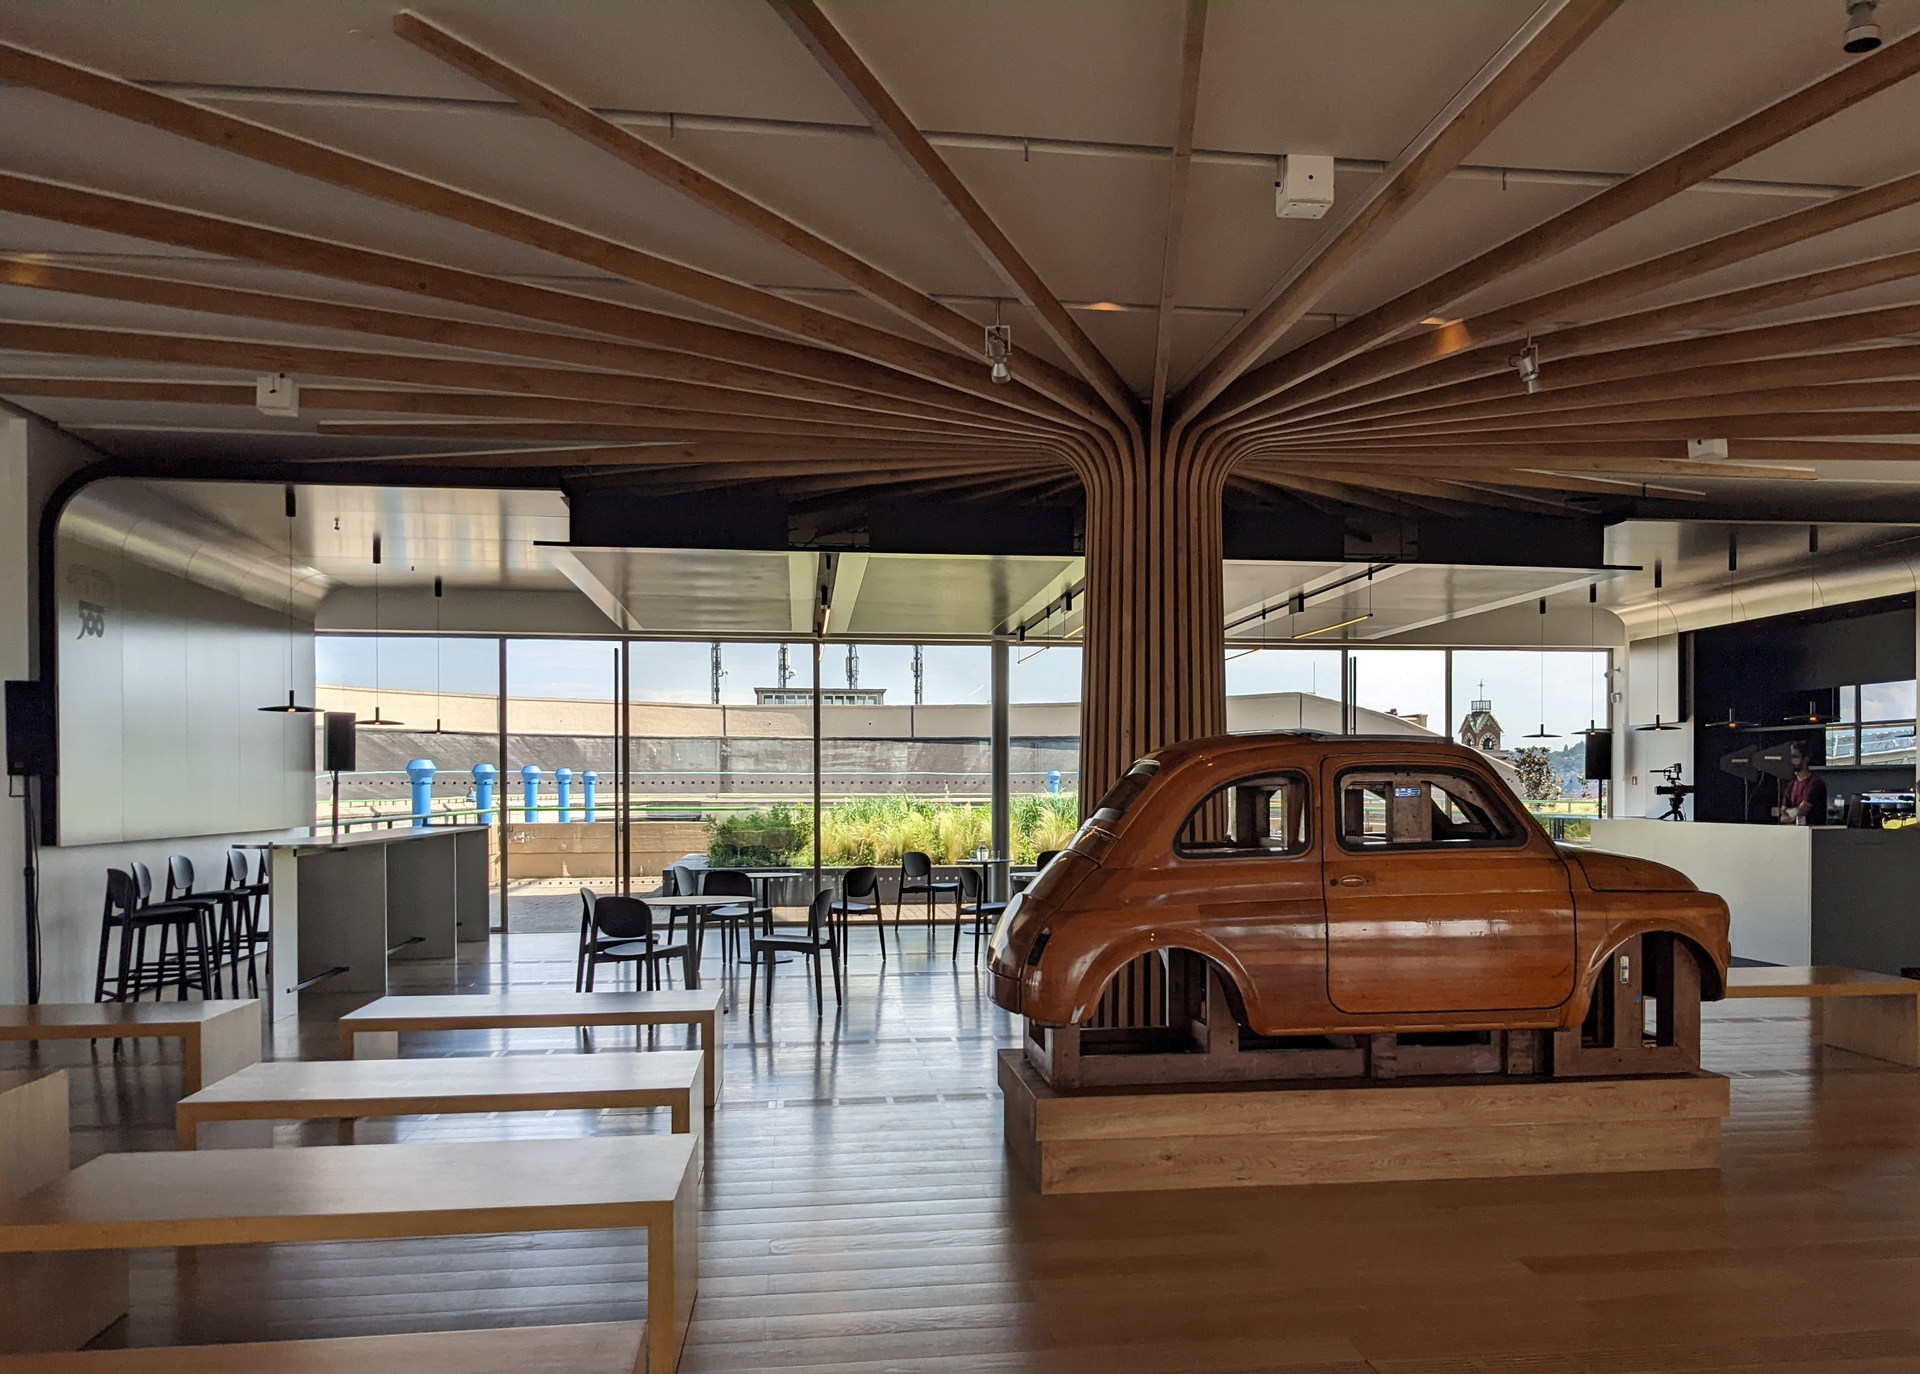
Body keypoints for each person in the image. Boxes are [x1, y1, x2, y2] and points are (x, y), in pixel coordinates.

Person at [1778, 757, 1828, 825]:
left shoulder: (1815, 783)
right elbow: (1781, 815)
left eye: (1796, 757)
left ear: (1805, 759)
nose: (1792, 761)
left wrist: (1789, 812)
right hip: (1792, 829)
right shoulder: (1791, 785)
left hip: (1811, 829)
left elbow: (1800, 812)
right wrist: (1792, 814)